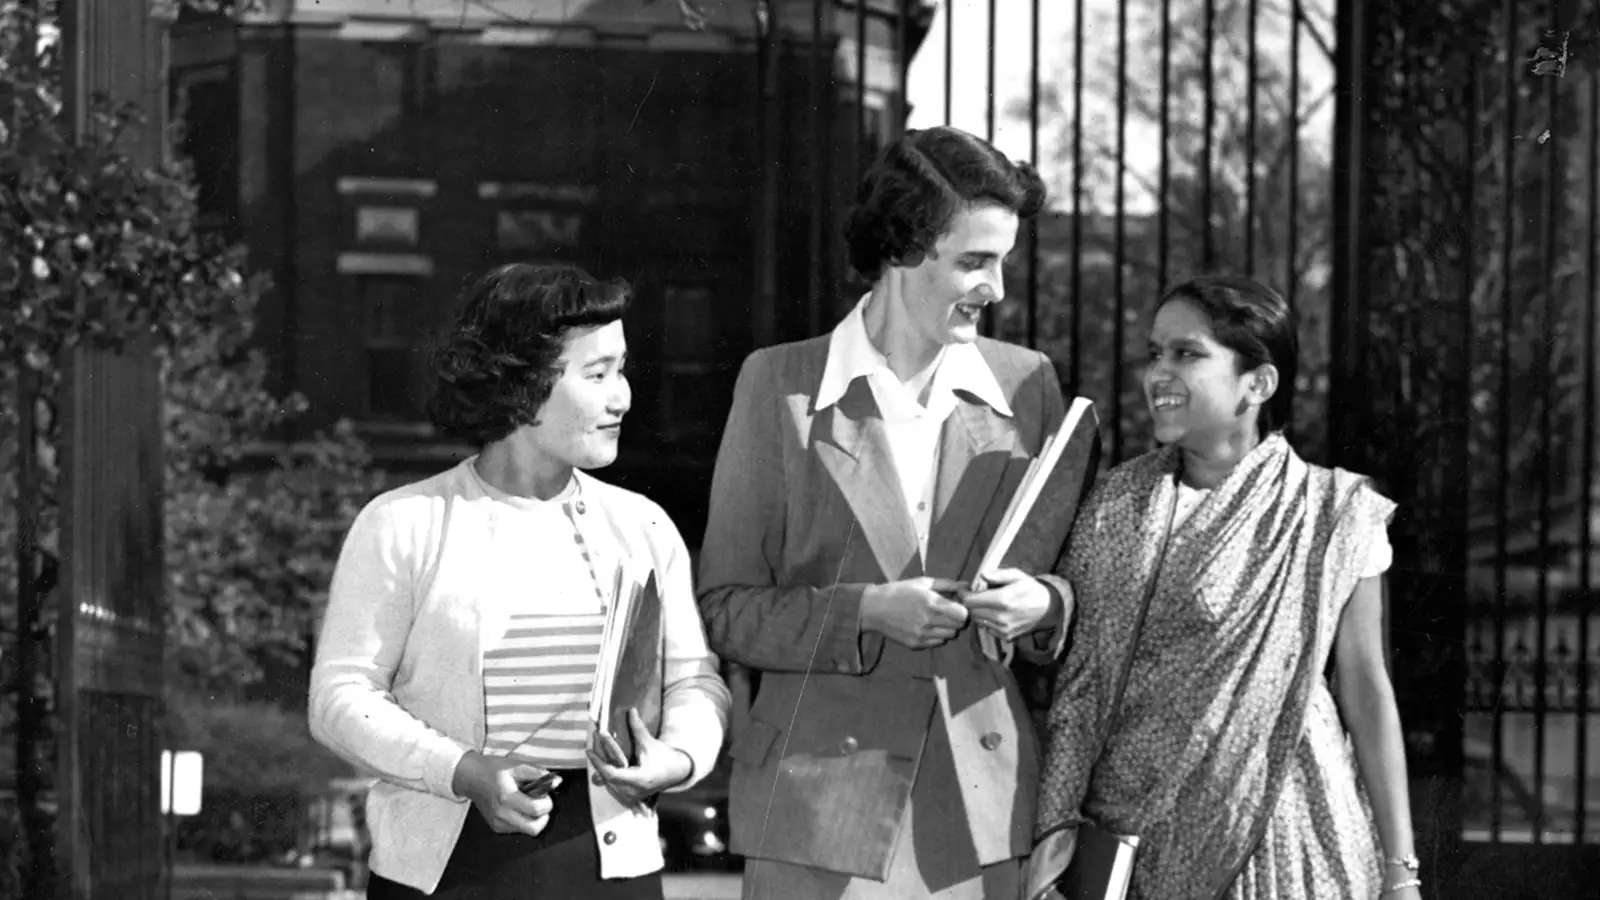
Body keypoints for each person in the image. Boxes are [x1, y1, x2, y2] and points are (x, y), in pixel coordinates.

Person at [698, 125, 1076, 899]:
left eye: (1003, 260)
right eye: (974, 261)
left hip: (982, 808)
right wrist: (866, 612)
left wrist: (1046, 604)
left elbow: (1076, 586)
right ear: (903, 248)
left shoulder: (1031, 385)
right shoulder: (778, 386)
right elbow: (726, 611)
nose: (997, 289)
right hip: (817, 807)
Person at [309, 263, 730, 899]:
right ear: (526, 384)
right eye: (598, 374)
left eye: (622, 370)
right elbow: (340, 698)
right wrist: (463, 771)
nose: (624, 397)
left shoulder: (643, 527)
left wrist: (676, 758)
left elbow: (695, 681)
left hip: (610, 870)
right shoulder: (403, 524)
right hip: (445, 875)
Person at [1026, 275, 1422, 900]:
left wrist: (1401, 874)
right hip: (1138, 846)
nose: (1159, 372)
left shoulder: (1331, 511)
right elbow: (1083, 687)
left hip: (1286, 835)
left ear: (1257, 384)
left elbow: (1367, 692)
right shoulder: (1115, 504)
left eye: (1187, 354)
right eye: (1155, 353)